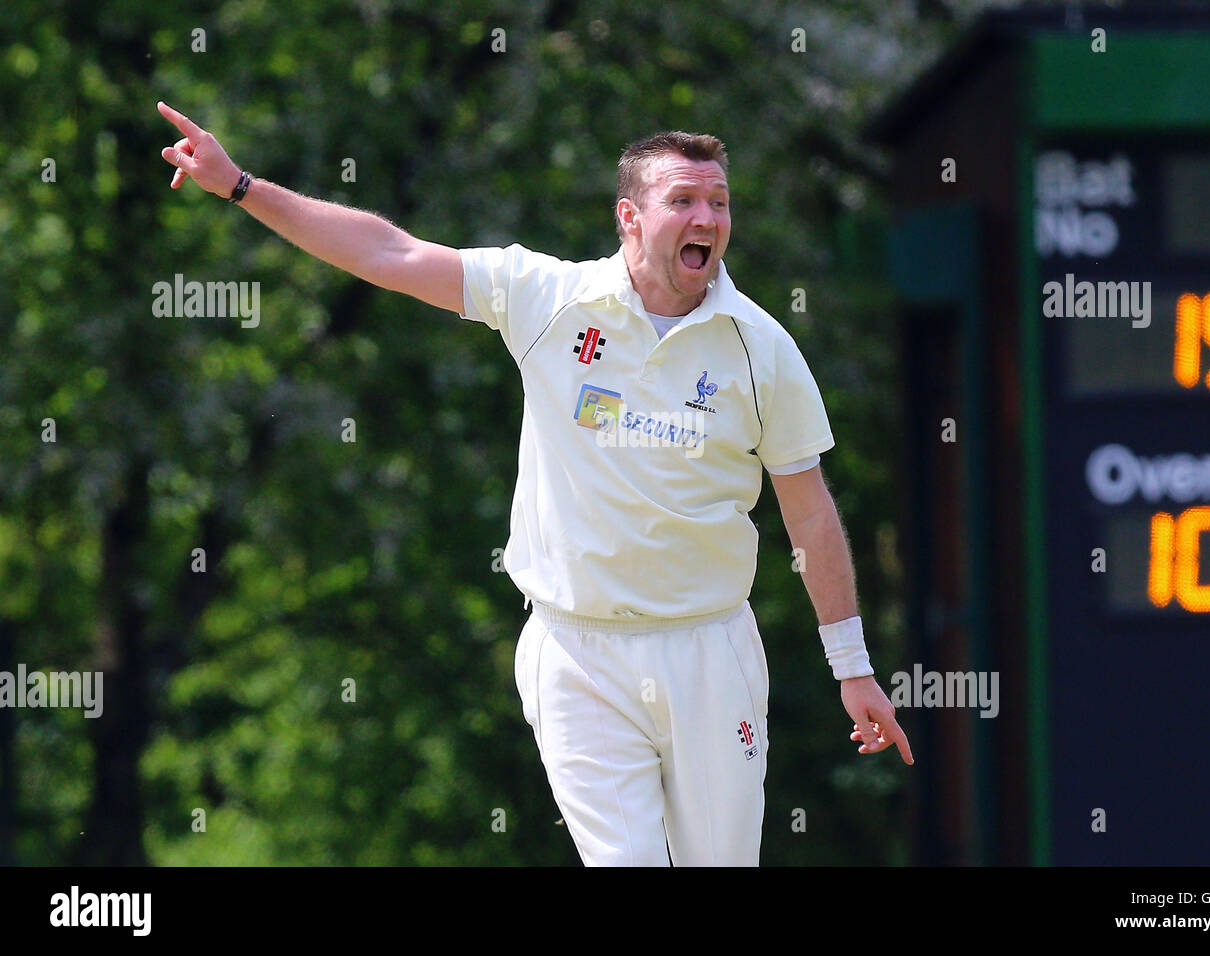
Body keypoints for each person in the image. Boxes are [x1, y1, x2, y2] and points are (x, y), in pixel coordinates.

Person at [157, 101, 913, 866]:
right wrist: (242, 186)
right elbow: (388, 253)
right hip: (576, 649)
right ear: (630, 216)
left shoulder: (762, 348)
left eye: (718, 203)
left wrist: (852, 667)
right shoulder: (547, 298)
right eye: (682, 200)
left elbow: (810, 516)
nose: (706, 219)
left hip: (709, 648)